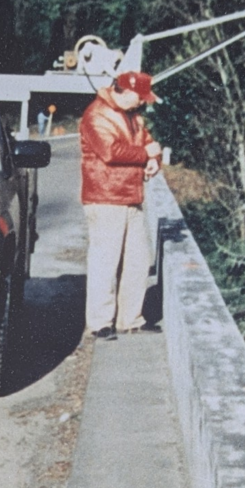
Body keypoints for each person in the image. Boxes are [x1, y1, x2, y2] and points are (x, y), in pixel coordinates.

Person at [79, 70, 164, 339]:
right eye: (141, 97)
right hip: (105, 198)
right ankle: (100, 322)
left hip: (130, 197)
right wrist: (145, 155)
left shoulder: (132, 116)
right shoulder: (96, 115)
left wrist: (154, 159)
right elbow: (110, 151)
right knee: (105, 262)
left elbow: (149, 145)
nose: (143, 103)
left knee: (138, 260)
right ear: (126, 92)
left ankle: (130, 319)